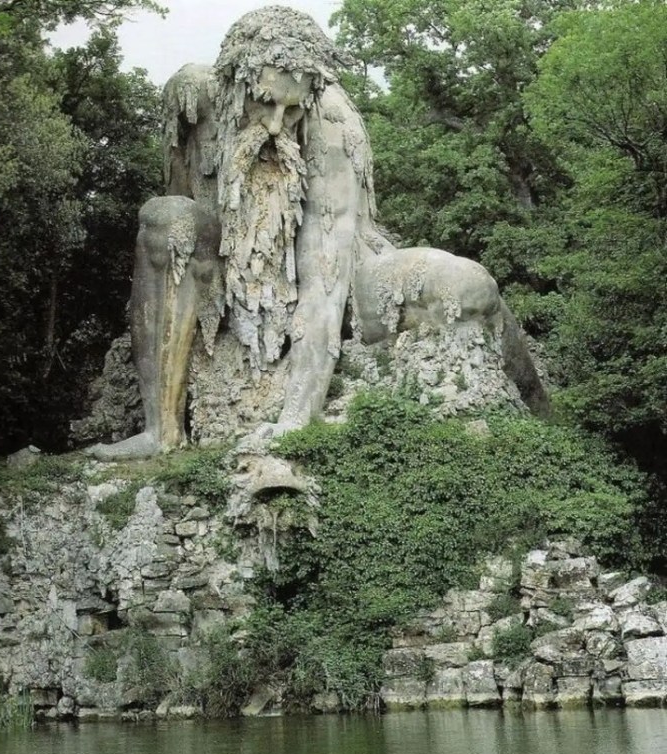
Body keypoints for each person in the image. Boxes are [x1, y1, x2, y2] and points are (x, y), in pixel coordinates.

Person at [88, 6, 544, 460]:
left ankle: (542, 411)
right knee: (168, 219)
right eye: (264, 101)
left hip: (345, 278)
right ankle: (160, 431)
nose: (273, 124)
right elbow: (178, 230)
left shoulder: (331, 127)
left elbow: (324, 286)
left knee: (465, 285)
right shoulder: (193, 97)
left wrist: (294, 420)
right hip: (229, 272)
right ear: (232, 83)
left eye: (291, 110)